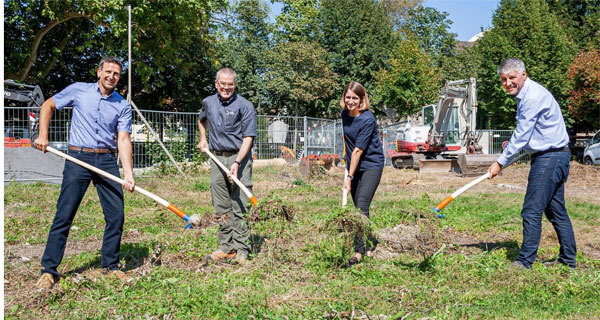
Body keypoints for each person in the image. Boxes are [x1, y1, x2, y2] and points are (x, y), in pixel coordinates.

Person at [33, 56, 135, 289]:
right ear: (99, 72)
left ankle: (110, 266)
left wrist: (128, 173)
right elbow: (47, 105)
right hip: (78, 158)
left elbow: (123, 139)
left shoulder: (122, 105)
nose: (111, 76)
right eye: (108, 71)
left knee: (116, 215)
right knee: (64, 214)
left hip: (106, 160)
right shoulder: (79, 91)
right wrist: (43, 134)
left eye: (116, 73)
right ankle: (49, 270)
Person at [488, 58, 576, 269]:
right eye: (503, 79)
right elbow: (527, 138)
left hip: (550, 158)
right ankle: (568, 261)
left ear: (523, 75)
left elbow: (520, 136)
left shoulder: (532, 97)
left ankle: (525, 261)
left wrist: (499, 163)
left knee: (531, 210)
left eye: (512, 77)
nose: (508, 83)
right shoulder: (526, 94)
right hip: (555, 156)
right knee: (556, 211)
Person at [197, 68, 256, 265]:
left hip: (240, 157)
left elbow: (248, 137)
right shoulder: (208, 102)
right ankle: (226, 247)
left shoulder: (245, 106)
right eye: (223, 84)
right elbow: (202, 119)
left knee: (238, 203)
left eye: (230, 84)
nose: (226, 88)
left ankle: (241, 248)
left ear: (235, 85)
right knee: (221, 205)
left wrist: (238, 162)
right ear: (216, 84)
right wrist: (203, 139)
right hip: (216, 158)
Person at [340, 82, 385, 268]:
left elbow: (358, 150)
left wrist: (348, 178)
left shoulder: (367, 119)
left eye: (355, 98)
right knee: (359, 205)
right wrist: (347, 165)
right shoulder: (344, 115)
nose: (351, 101)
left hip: (371, 165)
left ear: (362, 99)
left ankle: (358, 253)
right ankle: (366, 244)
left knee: (361, 206)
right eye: (348, 97)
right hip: (354, 165)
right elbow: (349, 144)